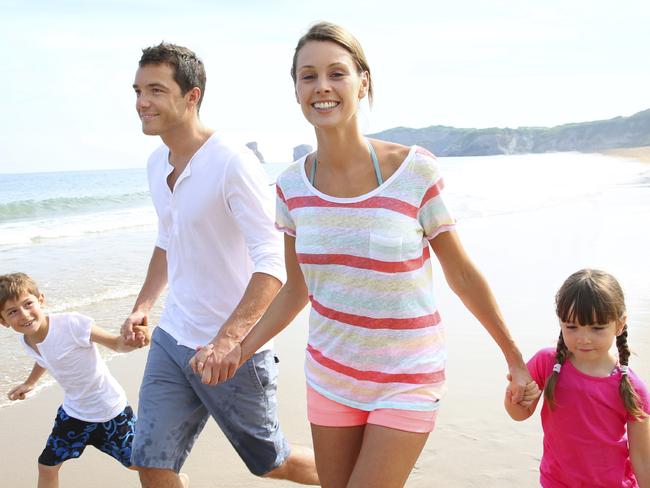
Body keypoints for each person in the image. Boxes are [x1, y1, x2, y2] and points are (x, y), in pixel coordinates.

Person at [191, 22, 535, 488]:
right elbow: (297, 289)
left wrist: (513, 357)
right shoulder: (292, 186)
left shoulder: (414, 170)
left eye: (337, 73)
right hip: (331, 376)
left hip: (407, 376)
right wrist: (239, 349)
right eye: (308, 76)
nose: (322, 87)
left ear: (363, 81)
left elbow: (461, 273)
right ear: (295, 90)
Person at [122, 42, 318, 488]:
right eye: (137, 90)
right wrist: (144, 305)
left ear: (192, 97)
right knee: (150, 461)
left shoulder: (232, 162)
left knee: (271, 462)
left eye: (155, 90)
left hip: (231, 350)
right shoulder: (157, 163)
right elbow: (168, 239)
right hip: (172, 338)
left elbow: (273, 264)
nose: (141, 102)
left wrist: (228, 341)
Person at [1, 272, 149, 488]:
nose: (23, 315)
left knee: (140, 465)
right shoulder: (27, 339)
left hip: (110, 411)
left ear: (41, 299)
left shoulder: (72, 324)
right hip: (74, 414)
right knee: (47, 466)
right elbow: (44, 357)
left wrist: (134, 340)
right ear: (3, 321)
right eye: (12, 312)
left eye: (28, 304)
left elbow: (116, 344)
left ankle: (178, 481)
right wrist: (30, 383)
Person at [505, 269, 650, 487]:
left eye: (597, 328)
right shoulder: (547, 362)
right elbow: (519, 414)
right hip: (556, 482)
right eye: (571, 327)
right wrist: (515, 397)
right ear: (561, 322)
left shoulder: (631, 387)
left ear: (620, 325)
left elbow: (642, 458)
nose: (584, 339)